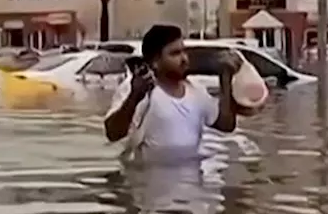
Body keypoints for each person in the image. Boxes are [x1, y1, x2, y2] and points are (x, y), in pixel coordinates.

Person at [103, 24, 243, 163]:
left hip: (191, 181)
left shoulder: (196, 91)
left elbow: (226, 125)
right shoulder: (138, 88)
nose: (184, 59)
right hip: (147, 182)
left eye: (184, 52)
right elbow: (113, 134)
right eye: (175, 53)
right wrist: (134, 97)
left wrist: (226, 78)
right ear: (156, 61)